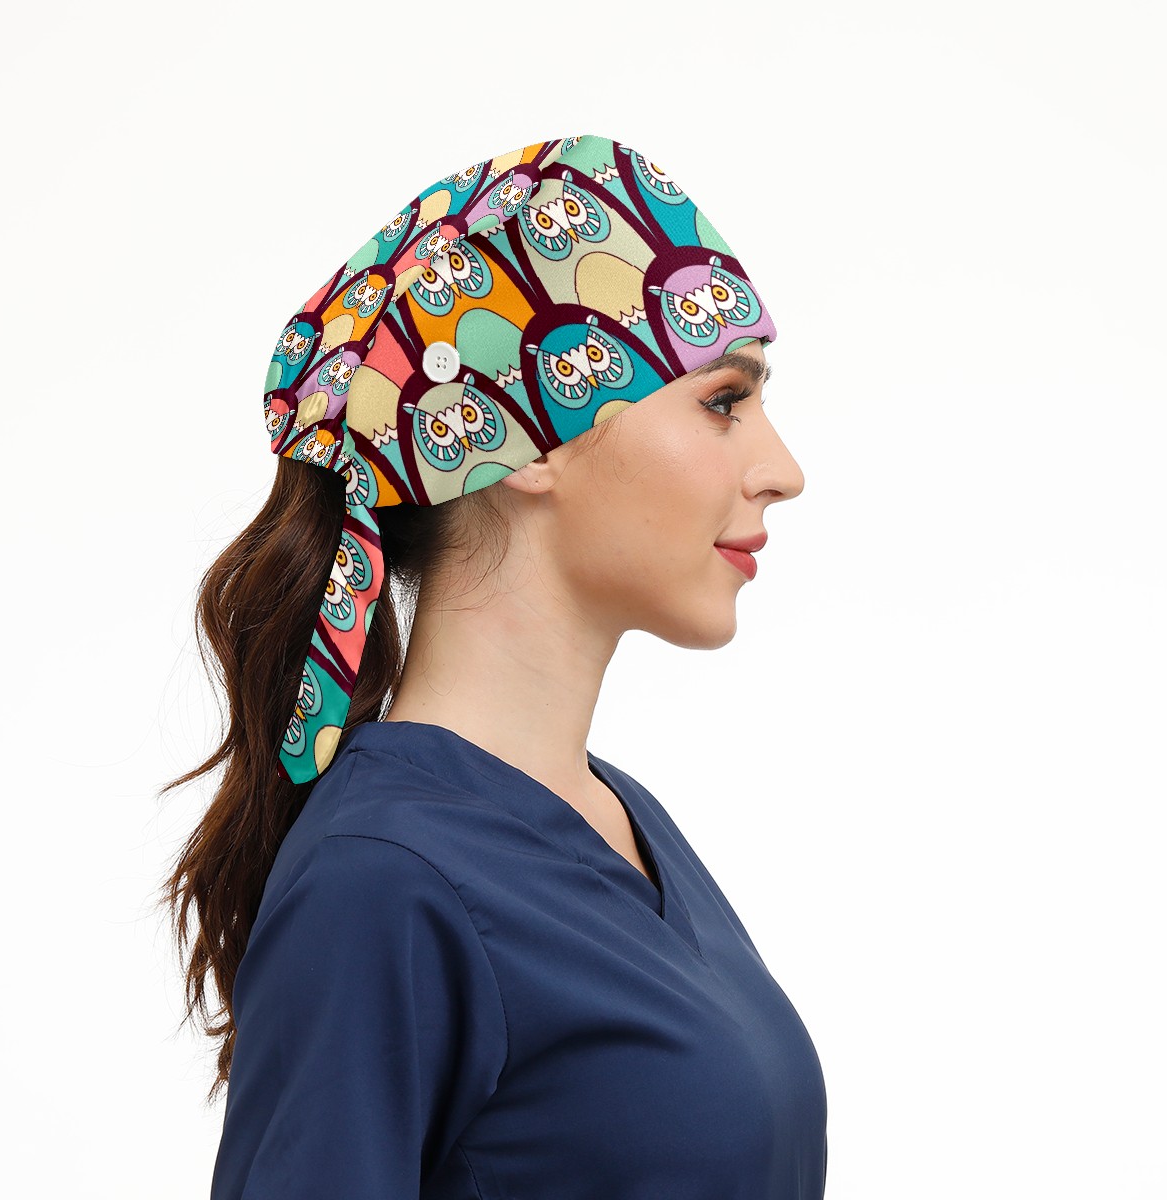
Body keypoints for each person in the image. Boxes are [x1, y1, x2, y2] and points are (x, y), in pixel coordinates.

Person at [159, 133, 828, 1198]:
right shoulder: (382, 880)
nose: (781, 469)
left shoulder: (619, 819)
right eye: (722, 401)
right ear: (529, 437)